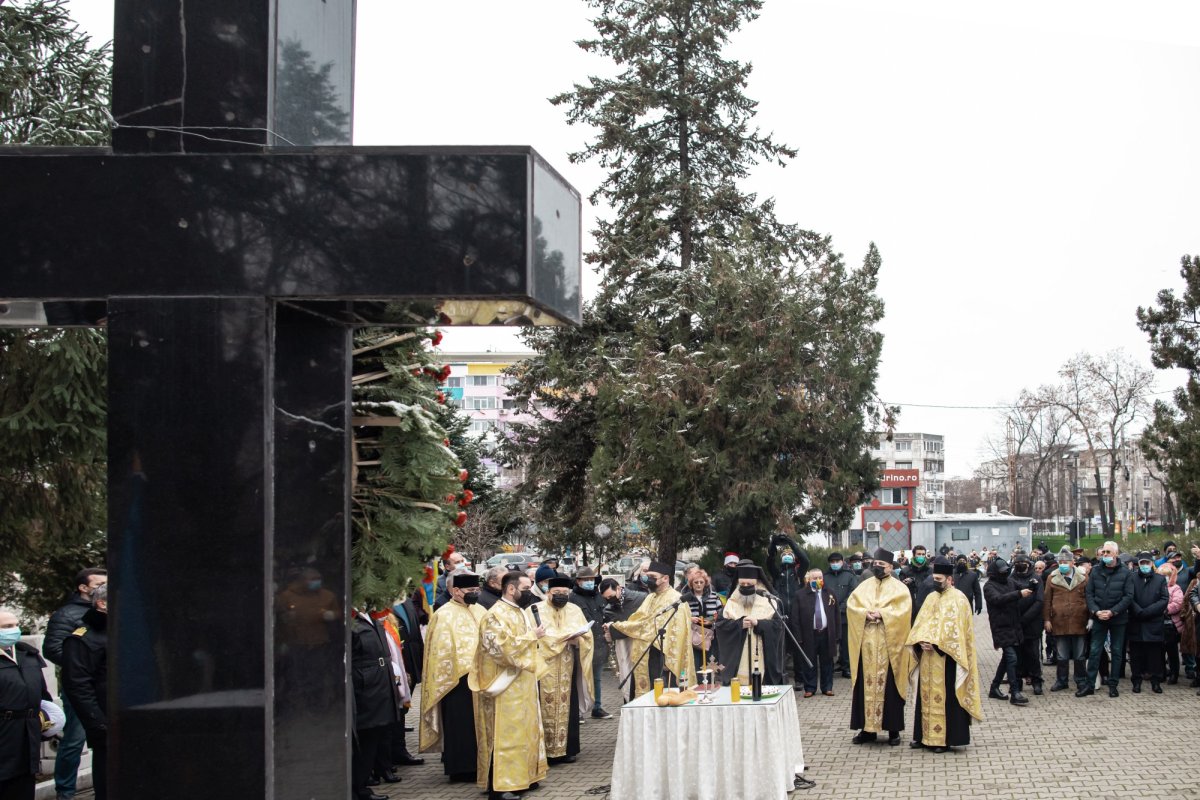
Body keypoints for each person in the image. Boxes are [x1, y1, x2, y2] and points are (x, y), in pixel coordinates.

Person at [471, 571, 548, 800]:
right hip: (505, 685)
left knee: (525, 731)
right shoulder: (494, 615)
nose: (529, 592)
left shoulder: (520, 612)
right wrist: (531, 637)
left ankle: (524, 777)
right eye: (525, 588)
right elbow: (500, 650)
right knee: (507, 735)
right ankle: (501, 787)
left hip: (523, 682)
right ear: (511, 589)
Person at [904, 556, 983, 753]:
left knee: (946, 698)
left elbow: (957, 631)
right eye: (934, 578)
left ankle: (943, 740)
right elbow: (920, 623)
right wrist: (920, 642)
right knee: (925, 697)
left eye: (939, 579)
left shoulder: (959, 599)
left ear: (949, 579)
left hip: (947, 658)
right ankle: (923, 737)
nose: (936, 582)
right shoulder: (931, 597)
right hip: (927, 657)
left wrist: (937, 644)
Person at [42, 567, 106, 800]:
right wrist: (82, 666)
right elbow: (52, 648)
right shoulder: (67, 615)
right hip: (81, 687)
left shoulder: (106, 612)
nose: (102, 588)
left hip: (104, 688)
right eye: (98, 583)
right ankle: (66, 792)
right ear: (83, 587)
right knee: (74, 741)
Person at [420, 573, 485, 783]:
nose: (475, 595)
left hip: (483, 678)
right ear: (456, 591)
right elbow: (440, 651)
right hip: (456, 682)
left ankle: (481, 764)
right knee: (460, 725)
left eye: (477, 591)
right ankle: (460, 768)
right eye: (470, 592)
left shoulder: (481, 610)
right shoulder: (444, 615)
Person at [847, 548, 911, 746]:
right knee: (863, 688)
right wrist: (864, 613)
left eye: (881, 565)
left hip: (888, 647)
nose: (877, 567)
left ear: (891, 567)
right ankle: (867, 731)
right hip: (866, 647)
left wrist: (883, 614)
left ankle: (893, 731)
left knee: (890, 688)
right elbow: (852, 605)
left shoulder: (900, 588)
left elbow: (903, 611)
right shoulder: (864, 585)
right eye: (875, 563)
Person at [606, 561, 690, 697]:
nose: (648, 579)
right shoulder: (650, 597)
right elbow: (638, 620)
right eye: (647, 575)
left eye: (653, 576)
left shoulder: (675, 599)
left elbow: (654, 627)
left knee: (660, 694)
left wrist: (617, 627)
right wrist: (617, 626)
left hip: (661, 657)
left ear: (665, 578)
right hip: (644, 654)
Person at [537, 577, 594, 765]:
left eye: (565, 593)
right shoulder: (536, 610)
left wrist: (579, 639)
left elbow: (587, 634)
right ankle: (545, 751)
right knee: (545, 705)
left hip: (568, 666)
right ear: (547, 592)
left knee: (568, 705)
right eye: (557, 593)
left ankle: (567, 750)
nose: (561, 596)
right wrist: (563, 639)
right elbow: (538, 637)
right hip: (545, 668)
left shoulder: (575, 610)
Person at [61, 584, 108, 800]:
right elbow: (77, 685)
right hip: (107, 723)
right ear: (102, 603)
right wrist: (100, 724)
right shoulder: (83, 637)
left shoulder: (131, 630)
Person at [0, 610, 52, 800]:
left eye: (15, 625)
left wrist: (45, 721)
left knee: (22, 786)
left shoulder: (28, 656)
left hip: (27, 734)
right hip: (4, 732)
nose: (14, 630)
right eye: (6, 627)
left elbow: (43, 696)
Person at [714, 563, 786, 686]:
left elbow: (778, 626)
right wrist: (739, 624)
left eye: (749, 585)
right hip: (739, 660)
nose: (746, 587)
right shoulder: (731, 602)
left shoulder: (770, 601)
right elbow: (721, 626)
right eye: (742, 584)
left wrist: (758, 623)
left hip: (762, 657)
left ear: (757, 583)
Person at [1085, 540, 1134, 697]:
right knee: (1094, 651)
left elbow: (1128, 596)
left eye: (1108, 552)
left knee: (1117, 651)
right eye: (1103, 552)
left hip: (1118, 619)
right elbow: (1089, 594)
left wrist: (1112, 612)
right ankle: (1090, 685)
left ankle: (1113, 685)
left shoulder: (1125, 572)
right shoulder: (1096, 571)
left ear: (1116, 554)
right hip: (1099, 617)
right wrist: (1096, 611)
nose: (1105, 555)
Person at [1043, 547, 1090, 693]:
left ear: (1072, 563)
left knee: (1079, 654)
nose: (1063, 564)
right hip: (1059, 621)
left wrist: (1091, 618)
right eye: (1060, 561)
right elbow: (1047, 600)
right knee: (1061, 654)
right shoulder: (1052, 578)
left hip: (1079, 620)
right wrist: (1047, 620)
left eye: (1066, 561)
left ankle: (1080, 680)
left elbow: (1089, 598)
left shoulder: (1083, 578)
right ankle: (1061, 681)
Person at [983, 558, 1029, 706]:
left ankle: (994, 687)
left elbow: (1021, 585)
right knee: (1012, 658)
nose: (1005, 574)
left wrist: (1033, 584)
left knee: (1007, 660)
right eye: (1002, 572)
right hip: (1001, 627)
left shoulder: (1010, 582)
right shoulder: (989, 586)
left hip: (1014, 624)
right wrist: (1019, 594)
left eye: (1007, 571)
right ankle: (1015, 692)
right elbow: (998, 599)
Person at [569, 567, 611, 719]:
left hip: (599, 643)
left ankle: (597, 707)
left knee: (597, 678)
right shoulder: (572, 598)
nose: (589, 582)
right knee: (581, 678)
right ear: (578, 581)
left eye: (591, 580)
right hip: (582, 644)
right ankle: (578, 710)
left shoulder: (599, 596)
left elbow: (605, 615)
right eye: (585, 580)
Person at [599, 579, 648, 702]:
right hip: (622, 644)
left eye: (611, 596)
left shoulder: (641, 598)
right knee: (626, 672)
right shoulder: (608, 608)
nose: (609, 600)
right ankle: (628, 699)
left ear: (619, 588)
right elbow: (611, 629)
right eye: (606, 598)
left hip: (640, 642)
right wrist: (609, 628)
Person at [792, 568, 839, 697]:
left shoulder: (830, 593)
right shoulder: (800, 595)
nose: (818, 580)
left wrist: (837, 634)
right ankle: (810, 688)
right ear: (808, 580)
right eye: (815, 578)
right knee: (809, 662)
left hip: (826, 633)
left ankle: (827, 687)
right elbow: (795, 618)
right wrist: (798, 637)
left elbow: (836, 615)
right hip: (809, 634)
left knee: (827, 662)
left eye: (820, 578)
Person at [1127, 551, 1169, 693]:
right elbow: (1129, 596)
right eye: (1142, 563)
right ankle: (1136, 681)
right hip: (1136, 622)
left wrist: (1148, 611)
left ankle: (1156, 682)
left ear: (1152, 564)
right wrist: (1138, 611)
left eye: (1147, 563)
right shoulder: (1131, 578)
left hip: (1154, 623)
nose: (1145, 565)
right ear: (1138, 564)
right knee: (1136, 655)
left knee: (1155, 656)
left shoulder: (1160, 579)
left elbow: (1164, 599)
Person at [1010, 554, 1045, 695]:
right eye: (1018, 562)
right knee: (1017, 655)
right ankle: (1017, 682)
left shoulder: (1036, 579)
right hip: (1016, 623)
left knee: (1033, 655)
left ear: (1028, 564)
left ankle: (1037, 681)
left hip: (1032, 623)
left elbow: (1039, 601)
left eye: (1023, 562)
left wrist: (1026, 618)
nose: (1021, 564)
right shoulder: (1010, 579)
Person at [680, 568, 721, 676]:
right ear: (691, 583)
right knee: (696, 661)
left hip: (710, 634)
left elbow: (720, 613)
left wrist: (711, 620)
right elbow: (680, 615)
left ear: (705, 583)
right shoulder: (685, 598)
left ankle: (710, 684)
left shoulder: (714, 596)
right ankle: (697, 683)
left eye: (701, 582)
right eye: (696, 582)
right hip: (693, 635)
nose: (698, 585)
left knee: (710, 661)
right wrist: (690, 619)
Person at [824, 553, 856, 678]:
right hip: (828, 615)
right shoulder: (825, 577)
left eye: (837, 561)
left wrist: (841, 607)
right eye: (832, 561)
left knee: (846, 643)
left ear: (842, 562)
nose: (835, 563)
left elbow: (853, 593)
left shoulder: (849, 576)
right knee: (829, 641)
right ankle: (829, 667)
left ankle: (846, 667)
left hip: (844, 615)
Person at [1159, 563, 1184, 685]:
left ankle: (1174, 674)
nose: (1165, 578)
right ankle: (1162, 673)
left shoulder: (1176, 588)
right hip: (1158, 624)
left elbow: (1178, 603)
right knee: (1159, 651)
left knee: (1172, 651)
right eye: (1162, 575)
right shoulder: (1157, 587)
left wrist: (1164, 608)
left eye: (1167, 575)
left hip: (1171, 625)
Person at [900, 545, 933, 614]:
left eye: (923, 554)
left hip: (926, 607)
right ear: (914, 555)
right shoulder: (905, 571)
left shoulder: (930, 571)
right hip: (910, 608)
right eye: (919, 554)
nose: (921, 556)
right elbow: (901, 590)